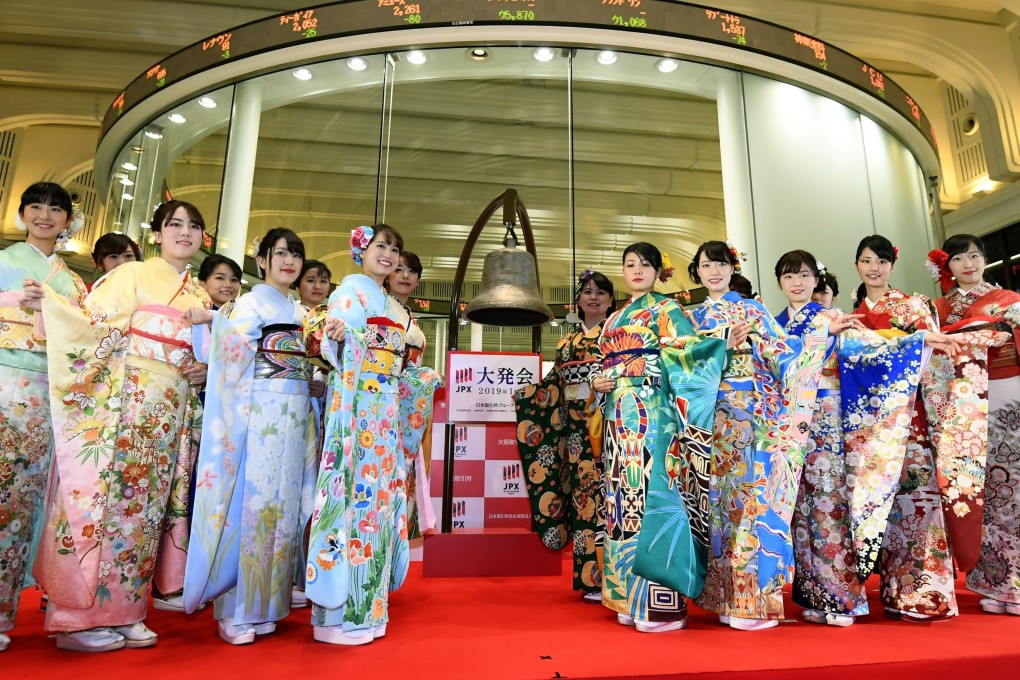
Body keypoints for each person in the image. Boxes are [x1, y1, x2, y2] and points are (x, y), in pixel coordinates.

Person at [31, 200, 210, 651]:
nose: (184, 232)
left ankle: (127, 609)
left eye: (193, 226)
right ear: (156, 234)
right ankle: (78, 617)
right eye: (174, 224)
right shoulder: (131, 275)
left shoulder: (199, 295)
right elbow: (91, 324)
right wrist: (52, 304)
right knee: (107, 502)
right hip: (126, 401)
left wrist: (204, 368)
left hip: (170, 411)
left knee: (146, 513)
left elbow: (207, 351)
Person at [773, 250, 949, 626]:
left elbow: (876, 346)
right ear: (779, 283)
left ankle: (844, 599)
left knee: (832, 508)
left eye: (804, 275)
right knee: (801, 511)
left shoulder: (835, 317)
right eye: (789, 277)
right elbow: (768, 364)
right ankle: (816, 596)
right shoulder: (774, 325)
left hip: (829, 422)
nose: (797, 283)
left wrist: (919, 340)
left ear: (816, 280)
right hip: (790, 427)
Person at [305, 225, 440, 645]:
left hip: (384, 413)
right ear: (360, 251)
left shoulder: (395, 308)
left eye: (394, 249)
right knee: (354, 498)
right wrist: (345, 340)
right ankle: (337, 615)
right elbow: (336, 349)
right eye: (380, 246)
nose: (388, 254)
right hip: (357, 407)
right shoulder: (349, 293)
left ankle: (370, 605)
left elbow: (399, 365)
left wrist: (421, 380)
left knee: (380, 502)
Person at [184, 228, 319, 644]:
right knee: (252, 503)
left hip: (294, 412)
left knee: (284, 504)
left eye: (295, 254)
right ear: (261, 260)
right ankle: (235, 611)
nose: (289, 261)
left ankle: (268, 605)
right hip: (261, 409)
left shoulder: (297, 310)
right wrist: (215, 321)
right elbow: (228, 348)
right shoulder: (251, 302)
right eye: (279, 253)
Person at [688, 240, 829, 631]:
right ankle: (721, 596)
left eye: (721, 264)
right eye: (706, 265)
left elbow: (785, 354)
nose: (714, 271)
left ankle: (751, 602)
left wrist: (820, 336)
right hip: (707, 420)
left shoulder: (752, 309)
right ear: (696, 272)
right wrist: (719, 345)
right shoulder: (691, 317)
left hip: (751, 416)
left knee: (751, 504)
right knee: (715, 506)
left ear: (733, 269)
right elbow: (677, 361)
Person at [591, 243, 729, 632]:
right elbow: (604, 362)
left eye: (645, 265)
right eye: (630, 264)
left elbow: (686, 352)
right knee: (621, 498)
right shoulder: (615, 316)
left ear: (658, 272)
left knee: (651, 494)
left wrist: (720, 340)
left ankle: (658, 604)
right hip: (619, 414)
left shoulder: (667, 310)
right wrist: (598, 380)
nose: (637, 271)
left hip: (652, 411)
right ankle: (624, 594)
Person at [850, 234, 962, 621]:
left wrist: (911, 340)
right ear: (857, 266)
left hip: (907, 418)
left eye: (881, 260)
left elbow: (930, 355)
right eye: (866, 260)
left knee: (917, 505)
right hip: (866, 425)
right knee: (880, 506)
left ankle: (927, 593)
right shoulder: (854, 312)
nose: (874, 267)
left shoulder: (911, 304)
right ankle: (895, 593)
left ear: (891, 265)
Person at [0, 182, 87, 652]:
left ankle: (3, 610)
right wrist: (16, 303)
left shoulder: (72, 281)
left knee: (26, 501)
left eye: (56, 209)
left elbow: (88, 335)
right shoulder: (5, 261)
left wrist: (53, 308)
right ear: (21, 213)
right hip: (3, 380)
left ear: (68, 221)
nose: (45, 215)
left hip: (48, 395)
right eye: (36, 206)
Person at [928, 234, 1020, 615]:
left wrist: (1005, 334)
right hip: (959, 404)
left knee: (1011, 485)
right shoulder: (938, 307)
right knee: (972, 487)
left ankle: (1015, 583)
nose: (970, 263)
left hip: (1004, 391)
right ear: (945, 267)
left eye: (976, 256)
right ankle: (990, 581)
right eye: (960, 258)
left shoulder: (1008, 301)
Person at [515, 269, 614, 602]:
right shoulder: (565, 343)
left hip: (608, 428)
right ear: (578, 300)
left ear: (610, 301)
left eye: (601, 292)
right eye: (587, 292)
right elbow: (555, 387)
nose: (593, 297)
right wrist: (529, 398)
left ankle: (614, 577)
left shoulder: (615, 336)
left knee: (608, 502)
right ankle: (590, 578)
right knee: (584, 502)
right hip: (574, 434)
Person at [387, 252, 437, 539]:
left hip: (409, 402)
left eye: (412, 271)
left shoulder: (407, 315)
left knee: (404, 475)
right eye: (399, 269)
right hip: (388, 397)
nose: (405, 276)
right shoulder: (381, 309)